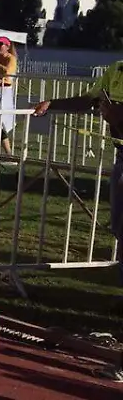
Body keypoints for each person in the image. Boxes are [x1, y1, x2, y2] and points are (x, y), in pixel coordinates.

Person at [34, 61, 123, 284]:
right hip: (122, 156)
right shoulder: (116, 69)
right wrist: (52, 103)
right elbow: (89, 99)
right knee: (119, 226)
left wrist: (119, 117)